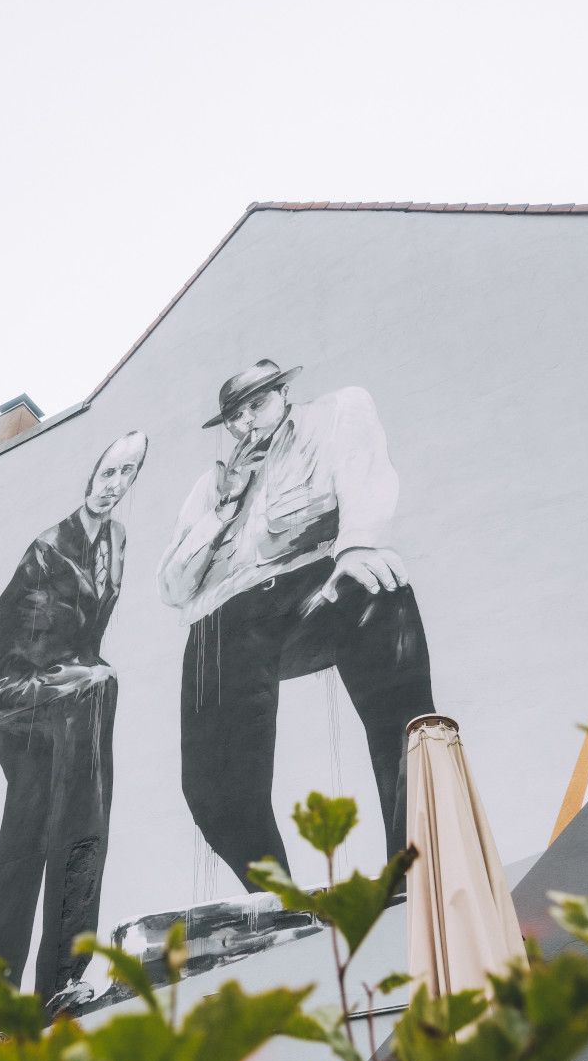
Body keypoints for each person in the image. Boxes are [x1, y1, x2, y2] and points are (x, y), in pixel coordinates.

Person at [158, 360, 433, 886]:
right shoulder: (209, 487)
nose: (246, 425)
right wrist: (226, 502)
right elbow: (172, 587)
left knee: (383, 592)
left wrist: (357, 547)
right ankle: (278, 903)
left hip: (313, 591)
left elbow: (364, 477)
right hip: (228, 621)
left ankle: (415, 864)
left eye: (256, 406)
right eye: (234, 418)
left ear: (284, 393)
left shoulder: (333, 415)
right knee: (210, 786)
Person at [0, 431, 148, 1030]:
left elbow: (90, 637)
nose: (113, 483)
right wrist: (72, 679)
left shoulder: (117, 542)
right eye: (108, 469)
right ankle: (17, 1004)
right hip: (19, 693)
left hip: (74, 711)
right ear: (91, 471)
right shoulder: (46, 548)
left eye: (127, 473)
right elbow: (10, 653)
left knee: (53, 842)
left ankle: (52, 990)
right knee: (26, 855)